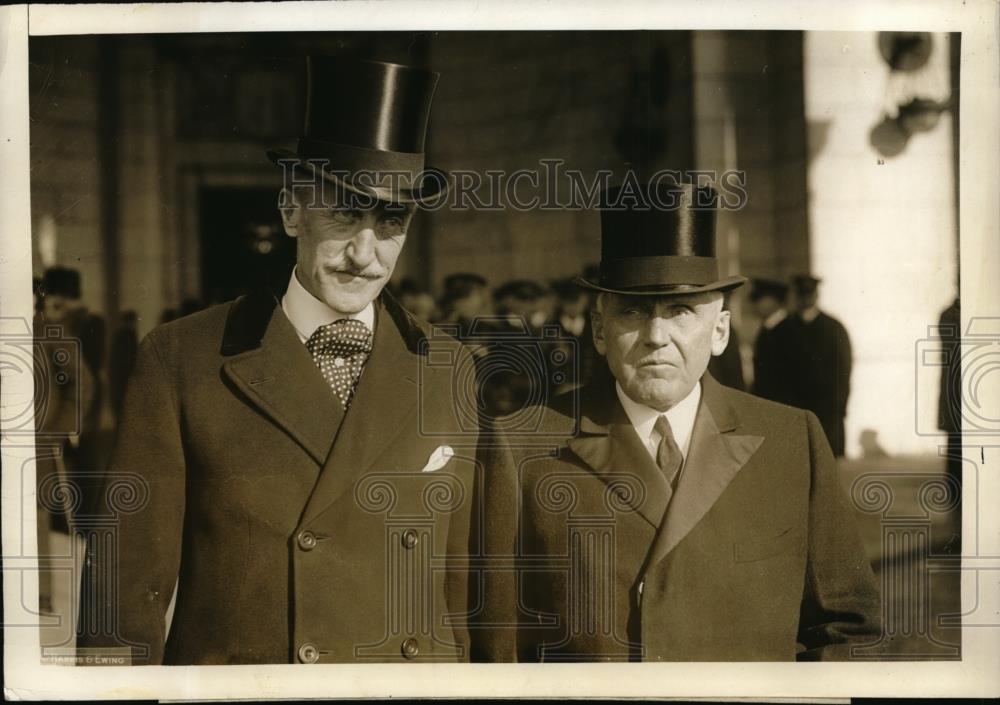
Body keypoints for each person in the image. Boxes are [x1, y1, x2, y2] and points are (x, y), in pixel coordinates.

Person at [78, 57, 479, 665]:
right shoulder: (182, 360)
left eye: (390, 221)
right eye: (344, 213)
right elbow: (126, 586)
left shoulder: (448, 367)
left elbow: (466, 585)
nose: (364, 254)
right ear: (292, 209)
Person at [471, 180, 880, 662]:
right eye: (632, 311)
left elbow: (846, 628)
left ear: (721, 331)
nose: (656, 336)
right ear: (600, 332)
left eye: (681, 310)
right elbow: (496, 642)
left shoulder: (791, 439)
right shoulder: (524, 445)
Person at [784, 275, 853, 457]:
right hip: (794, 409)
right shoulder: (783, 330)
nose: (806, 299)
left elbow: (844, 370)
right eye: (802, 295)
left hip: (827, 410)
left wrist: (840, 407)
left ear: (816, 296)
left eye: (810, 294)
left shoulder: (834, 328)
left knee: (827, 463)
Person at [748, 278, 793, 403]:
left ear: (772, 301)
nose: (754, 305)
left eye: (759, 299)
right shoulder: (767, 329)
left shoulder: (790, 330)